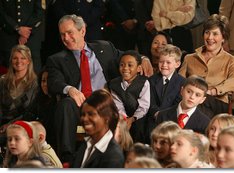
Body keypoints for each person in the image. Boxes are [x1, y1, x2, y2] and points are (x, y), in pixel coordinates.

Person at [45, 14, 153, 164]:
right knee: (65, 105)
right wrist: (69, 89)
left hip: (108, 103)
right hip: (80, 105)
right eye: (62, 34)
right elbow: (53, 82)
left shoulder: (104, 47)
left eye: (70, 32)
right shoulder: (57, 59)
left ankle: (132, 160)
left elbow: (127, 57)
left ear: (82, 31)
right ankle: (67, 159)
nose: (66, 38)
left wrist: (144, 58)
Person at [178, 14, 234, 118]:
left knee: (199, 107)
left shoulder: (231, 60)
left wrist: (213, 91)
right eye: (207, 32)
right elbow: (179, 82)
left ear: (223, 38)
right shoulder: (189, 58)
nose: (210, 37)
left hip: (216, 103)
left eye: (215, 34)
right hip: (191, 100)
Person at [72, 89, 124, 168]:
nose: (85, 119)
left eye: (91, 114)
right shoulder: (85, 145)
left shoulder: (113, 156)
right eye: (83, 114)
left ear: (107, 118)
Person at [108, 50, 150, 142]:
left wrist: (132, 119)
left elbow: (144, 106)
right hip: (123, 117)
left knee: (139, 129)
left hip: (139, 117)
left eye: (130, 65)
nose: (125, 68)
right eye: (122, 65)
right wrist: (125, 119)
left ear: (139, 68)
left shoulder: (144, 82)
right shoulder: (114, 84)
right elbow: (118, 104)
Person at [0, 45, 38, 131]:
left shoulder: (35, 84)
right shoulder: (2, 81)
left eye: (23, 58)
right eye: (15, 58)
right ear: (11, 61)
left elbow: (31, 112)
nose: (18, 61)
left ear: (28, 61)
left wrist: (10, 124)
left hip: (23, 126)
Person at [0, 0, 44, 74]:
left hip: (31, 39)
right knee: (9, 79)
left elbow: (40, 12)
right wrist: (16, 28)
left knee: (35, 76)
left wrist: (25, 32)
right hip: (9, 38)